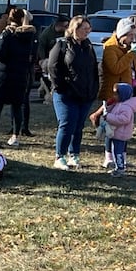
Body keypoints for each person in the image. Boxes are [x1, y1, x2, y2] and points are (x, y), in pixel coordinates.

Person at [47, 15, 98, 170]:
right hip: (66, 93)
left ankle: (74, 154)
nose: (87, 32)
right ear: (75, 28)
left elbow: (94, 68)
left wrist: (94, 88)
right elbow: (52, 67)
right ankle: (59, 156)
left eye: (89, 29)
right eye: (85, 29)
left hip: (85, 93)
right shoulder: (62, 45)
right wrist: (61, 87)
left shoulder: (88, 46)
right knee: (67, 123)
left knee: (78, 125)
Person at [0, 7, 36, 146]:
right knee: (17, 107)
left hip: (4, 74)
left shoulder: (7, 34)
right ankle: (15, 136)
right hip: (20, 74)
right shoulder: (28, 36)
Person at [96, 16, 136, 111]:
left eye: (134, 35)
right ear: (122, 35)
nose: (133, 38)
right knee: (113, 121)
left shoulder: (130, 47)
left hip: (128, 92)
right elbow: (115, 68)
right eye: (130, 35)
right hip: (114, 94)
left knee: (126, 121)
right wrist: (130, 54)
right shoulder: (110, 47)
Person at [101, 81, 136, 176]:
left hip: (120, 134)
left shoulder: (126, 107)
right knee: (117, 150)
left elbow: (123, 119)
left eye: (116, 94)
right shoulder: (120, 104)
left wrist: (109, 117)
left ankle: (120, 168)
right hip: (117, 132)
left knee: (118, 152)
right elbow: (115, 112)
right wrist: (108, 106)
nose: (114, 96)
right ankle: (119, 166)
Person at [36, 11, 69, 100]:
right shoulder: (47, 34)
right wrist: (42, 59)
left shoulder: (66, 33)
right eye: (65, 26)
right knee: (48, 74)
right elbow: (41, 47)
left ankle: (42, 89)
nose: (67, 28)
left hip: (61, 58)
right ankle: (48, 95)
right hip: (48, 58)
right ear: (59, 25)